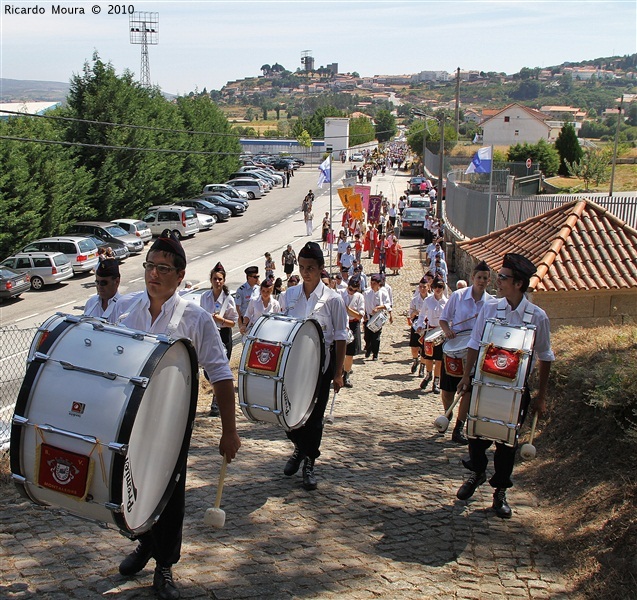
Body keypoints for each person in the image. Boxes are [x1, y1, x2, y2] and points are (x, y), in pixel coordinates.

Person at [112, 231, 240, 600]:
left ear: (180, 276)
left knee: (168, 490)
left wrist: (228, 432)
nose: (154, 274)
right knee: (130, 483)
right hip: (130, 418)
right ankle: (145, 542)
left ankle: (165, 565)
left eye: (164, 268)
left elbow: (220, 373)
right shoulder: (127, 310)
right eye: (150, 266)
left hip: (172, 422)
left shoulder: (195, 318)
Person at [455, 253, 554, 519]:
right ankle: (476, 472)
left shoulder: (537, 317)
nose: (497, 281)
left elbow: (545, 356)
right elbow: (475, 342)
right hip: (484, 384)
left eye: (503, 277)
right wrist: (466, 376)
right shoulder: (490, 308)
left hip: (515, 390)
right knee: (475, 435)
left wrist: (541, 396)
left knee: (507, 443)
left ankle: (500, 492)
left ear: (519, 283)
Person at [281, 242, 348, 490]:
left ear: (321, 268)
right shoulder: (289, 295)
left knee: (315, 418)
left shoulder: (333, 300)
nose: (305, 272)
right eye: (301, 267)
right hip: (292, 367)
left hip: (321, 367)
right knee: (288, 415)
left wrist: (338, 372)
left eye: (310, 267)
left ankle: (309, 462)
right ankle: (299, 447)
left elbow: (341, 336)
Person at [438, 261, 492, 444]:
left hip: (475, 352)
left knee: (467, 390)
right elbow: (444, 320)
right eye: (479, 277)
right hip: (454, 348)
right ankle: (449, 412)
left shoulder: (491, 303)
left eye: (485, 278)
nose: (481, 281)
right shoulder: (458, 296)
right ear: (472, 278)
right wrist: (447, 331)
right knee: (447, 391)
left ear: (489, 281)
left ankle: (459, 427)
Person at [200, 262, 239, 418]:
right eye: (215, 279)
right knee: (208, 371)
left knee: (220, 369)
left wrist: (221, 320)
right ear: (211, 279)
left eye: (220, 279)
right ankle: (216, 394)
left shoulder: (228, 299)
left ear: (224, 281)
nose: (217, 282)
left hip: (223, 335)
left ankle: (216, 403)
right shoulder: (205, 297)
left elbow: (233, 322)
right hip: (209, 334)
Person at [415, 277, 447, 394]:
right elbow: (422, 315)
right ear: (432, 288)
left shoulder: (447, 302)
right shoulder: (428, 301)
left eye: (440, 287)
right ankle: (428, 374)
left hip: (441, 333)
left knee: (439, 359)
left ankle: (436, 381)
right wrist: (420, 325)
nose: (438, 289)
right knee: (428, 357)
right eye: (436, 287)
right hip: (430, 331)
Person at [340, 274, 365, 388]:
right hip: (341, 324)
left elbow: (360, 315)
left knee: (350, 353)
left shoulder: (359, 297)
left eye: (354, 290)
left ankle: (346, 374)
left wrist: (348, 310)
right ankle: (339, 371)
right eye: (350, 289)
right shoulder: (340, 293)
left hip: (353, 324)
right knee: (339, 351)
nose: (351, 292)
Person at [363, 273, 392, 361]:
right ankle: (368, 347)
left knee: (376, 336)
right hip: (368, 316)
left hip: (378, 317)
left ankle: (375, 353)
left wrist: (378, 308)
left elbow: (388, 304)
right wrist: (364, 314)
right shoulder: (367, 292)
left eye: (374, 283)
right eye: (371, 283)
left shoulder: (383, 293)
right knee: (367, 336)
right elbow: (363, 304)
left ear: (378, 284)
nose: (372, 285)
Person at [408, 276, 430, 375]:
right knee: (414, 346)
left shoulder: (431, 299)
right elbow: (410, 314)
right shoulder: (415, 300)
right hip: (417, 323)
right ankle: (415, 360)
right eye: (420, 287)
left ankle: (422, 366)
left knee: (424, 347)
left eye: (424, 287)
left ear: (428, 287)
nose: (422, 289)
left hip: (427, 324)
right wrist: (416, 313)